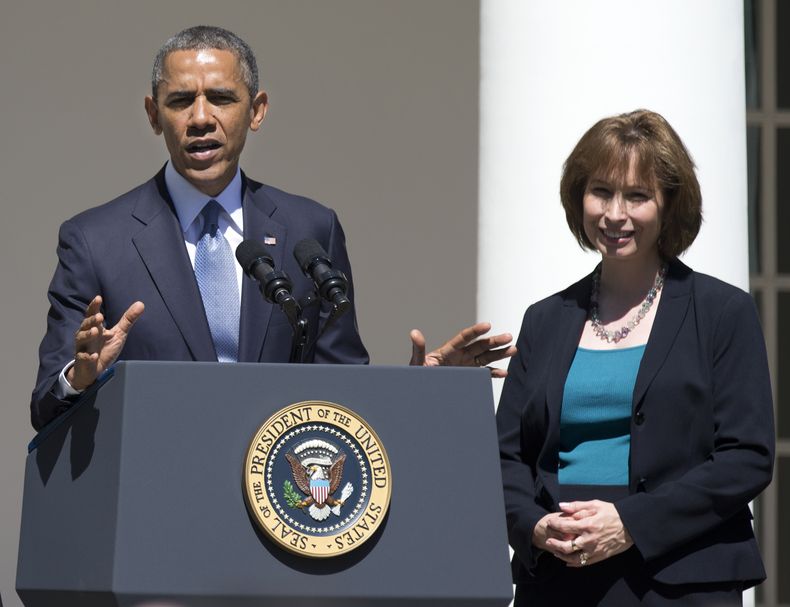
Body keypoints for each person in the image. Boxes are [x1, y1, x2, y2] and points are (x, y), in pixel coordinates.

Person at [31, 25, 514, 431]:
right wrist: (80, 376)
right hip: (153, 498)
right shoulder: (95, 241)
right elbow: (45, 404)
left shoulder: (310, 229)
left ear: (256, 110)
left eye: (221, 98)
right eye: (181, 101)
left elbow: (341, 390)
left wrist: (414, 391)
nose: (201, 118)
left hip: (280, 508)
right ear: (154, 116)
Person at [497, 109, 774, 605]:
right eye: (601, 191)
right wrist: (535, 526)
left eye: (637, 195)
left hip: (682, 578)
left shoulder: (723, 312)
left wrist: (629, 522)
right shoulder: (545, 319)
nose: (615, 213)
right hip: (560, 577)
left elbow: (747, 457)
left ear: (669, 204)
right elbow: (506, 457)